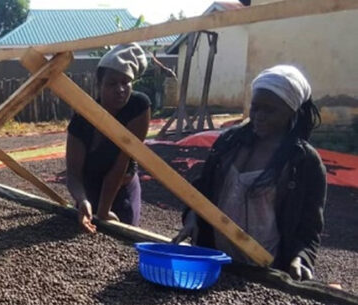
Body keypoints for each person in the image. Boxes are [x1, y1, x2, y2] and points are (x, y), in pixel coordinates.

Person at [173, 65, 326, 281]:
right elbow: (202, 189)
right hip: (215, 261)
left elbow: (310, 226)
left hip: (266, 267)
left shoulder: (303, 162)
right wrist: (192, 219)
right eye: (255, 107)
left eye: (270, 111)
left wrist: (301, 258)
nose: (259, 116)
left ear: (291, 111)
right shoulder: (229, 143)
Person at [66, 43, 152, 232]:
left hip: (121, 187)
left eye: (125, 82)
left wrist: (104, 211)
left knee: (124, 235)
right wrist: (82, 200)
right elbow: (73, 174)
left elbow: (121, 164)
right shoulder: (82, 120)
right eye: (112, 83)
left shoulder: (138, 108)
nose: (120, 89)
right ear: (99, 85)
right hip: (88, 189)